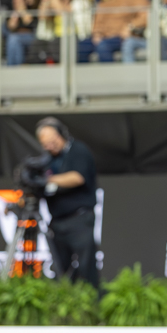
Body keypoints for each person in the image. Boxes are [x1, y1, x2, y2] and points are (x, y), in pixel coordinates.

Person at [35, 117, 99, 288]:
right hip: (57, 222)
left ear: (61, 134)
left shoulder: (78, 151)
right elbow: (39, 185)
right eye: (45, 144)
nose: (50, 146)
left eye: (52, 141)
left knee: (86, 265)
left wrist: (48, 180)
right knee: (60, 267)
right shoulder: (46, 159)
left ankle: (91, 301)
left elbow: (77, 177)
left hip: (79, 219)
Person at [91, 0, 149, 64]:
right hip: (105, 36)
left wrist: (131, 26)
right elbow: (97, 24)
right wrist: (97, 34)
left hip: (122, 37)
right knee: (78, 46)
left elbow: (146, 15)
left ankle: (111, 77)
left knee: (103, 46)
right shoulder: (106, 2)